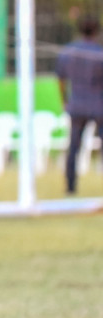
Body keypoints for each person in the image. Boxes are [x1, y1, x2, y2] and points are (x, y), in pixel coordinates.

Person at [56, 18, 103, 195]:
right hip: (98, 106)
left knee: (74, 148)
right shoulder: (99, 53)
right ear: (96, 32)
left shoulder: (68, 52)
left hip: (77, 105)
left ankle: (70, 187)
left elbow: (60, 79)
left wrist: (65, 100)